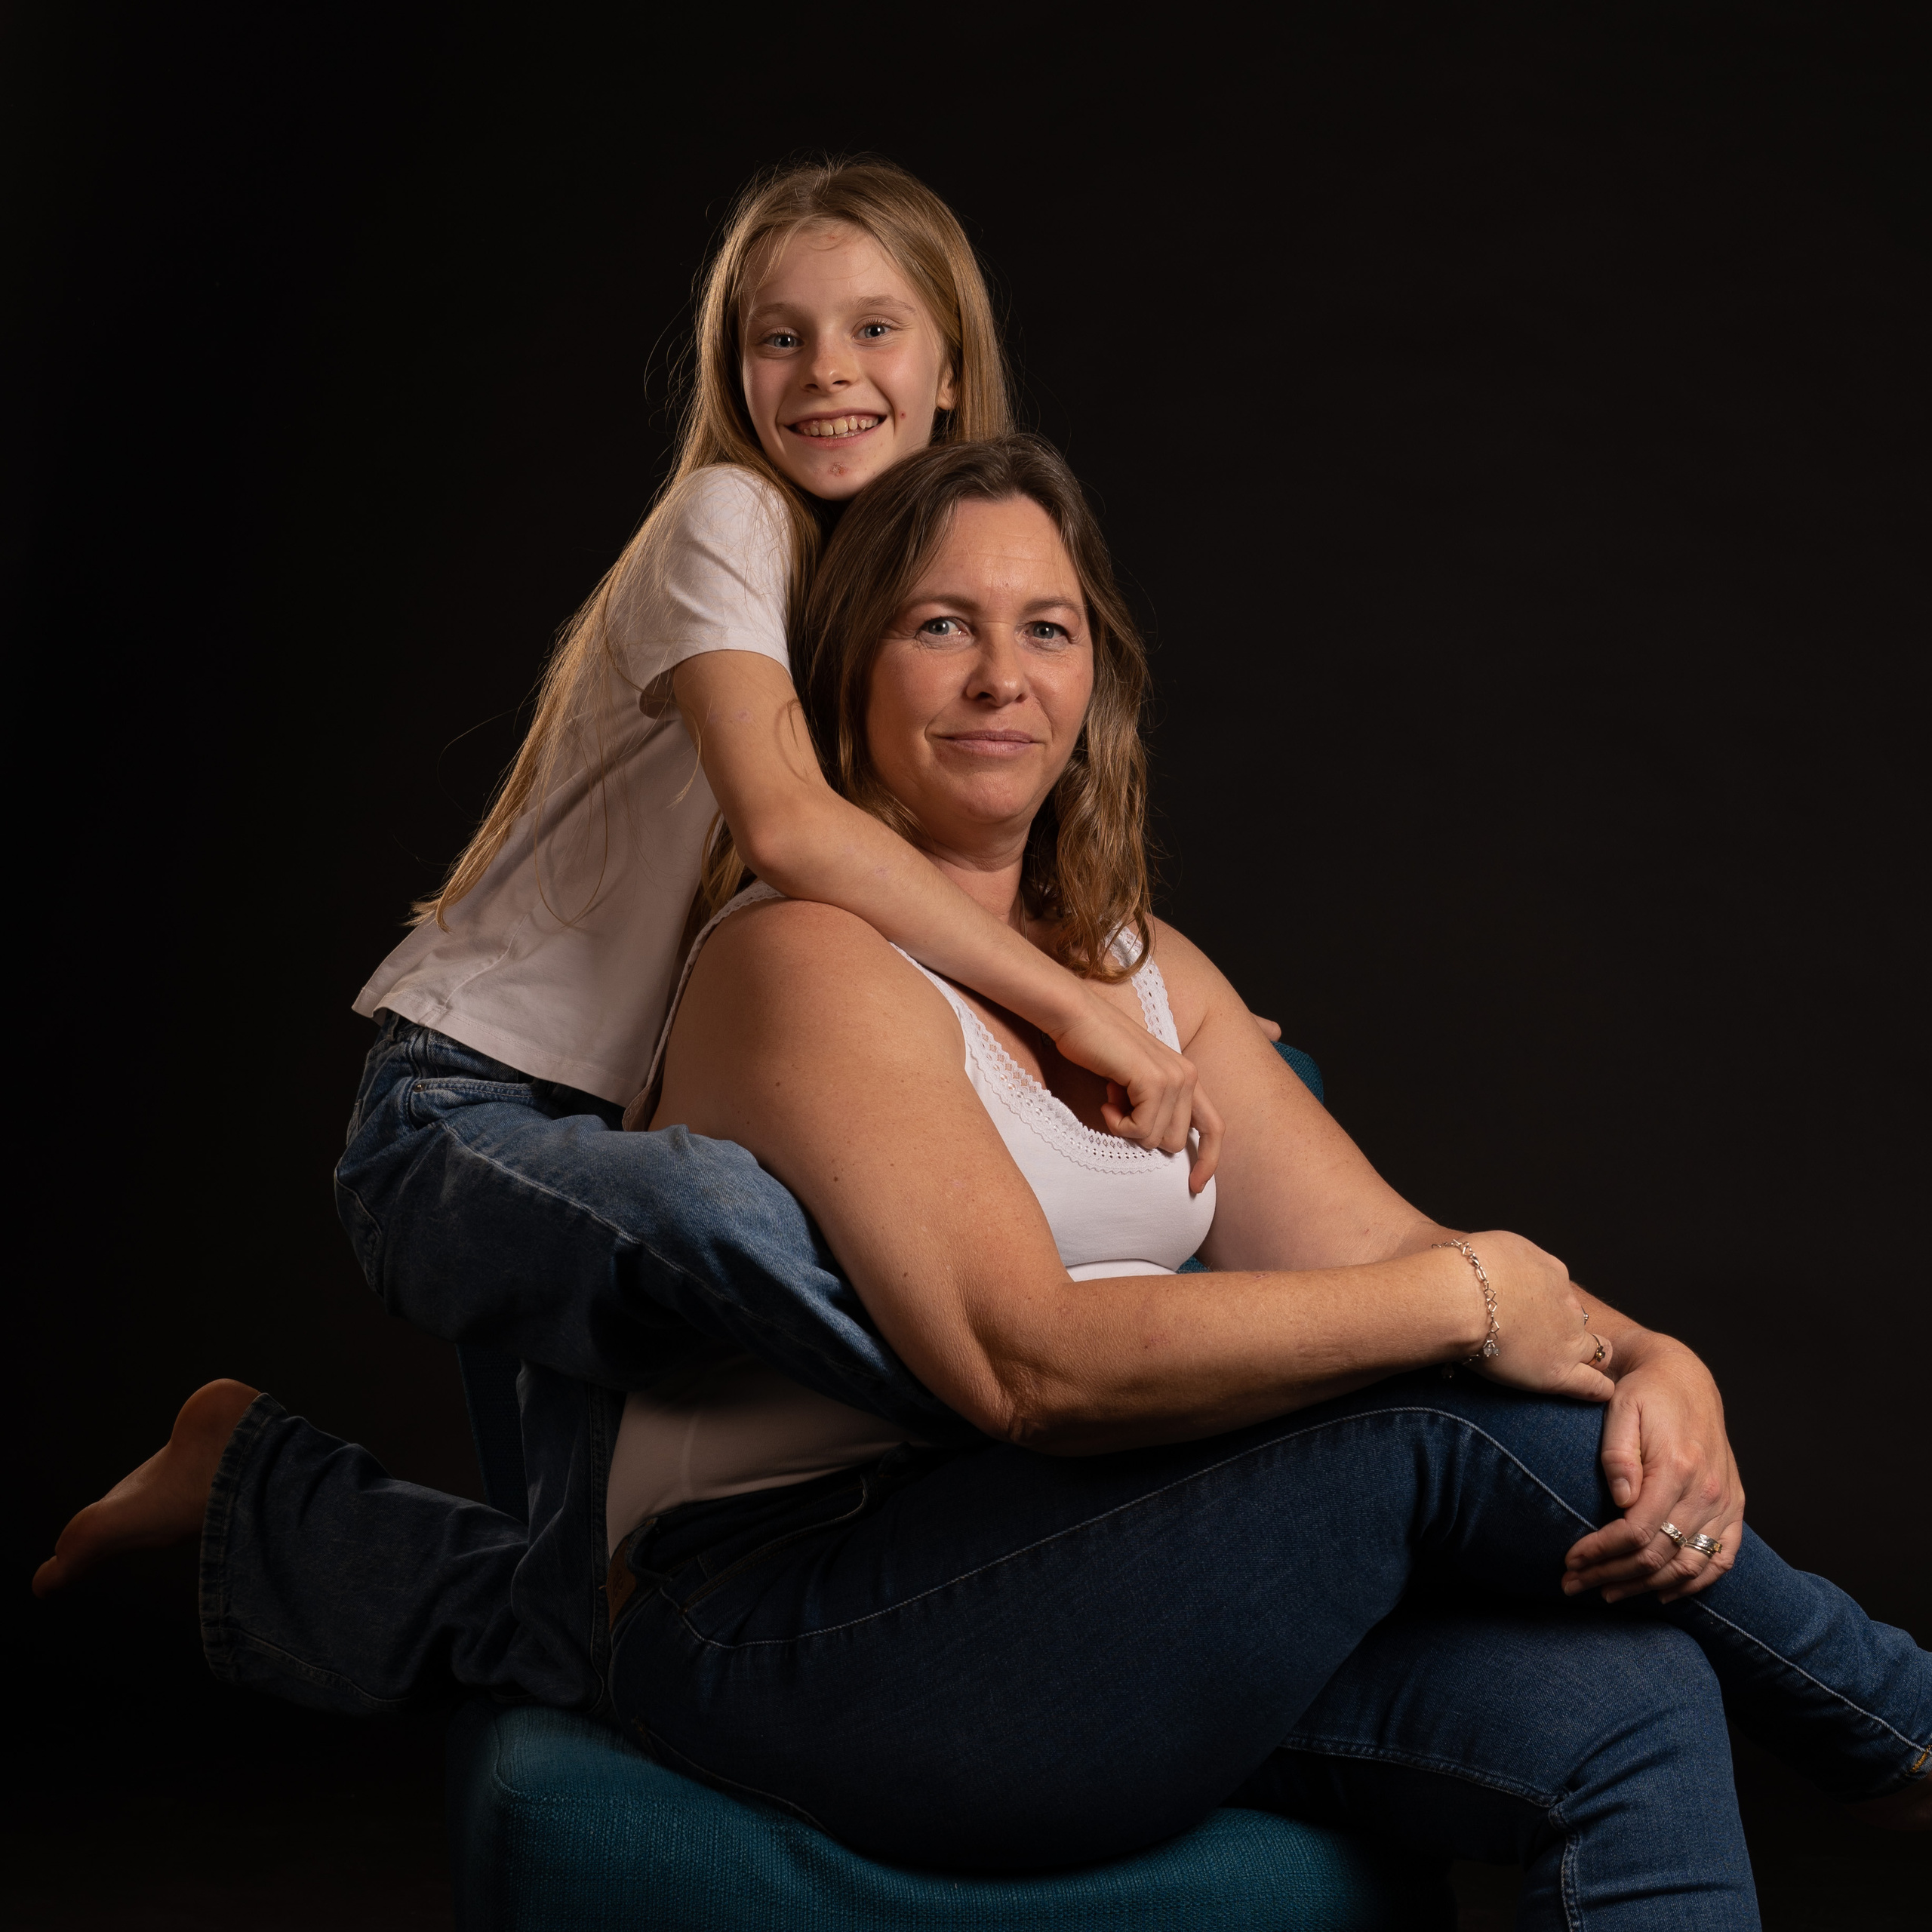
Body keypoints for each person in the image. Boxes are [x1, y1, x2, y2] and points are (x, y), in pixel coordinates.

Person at [38, 438, 1928, 1931]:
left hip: (1099, 1589)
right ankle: (1892, 1719)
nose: (1000, 675)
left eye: (1045, 626)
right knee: (1424, 1418)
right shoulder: (798, 958)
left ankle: (1875, 1719)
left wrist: (1644, 1352)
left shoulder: (1146, 971)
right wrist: (1476, 1312)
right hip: (799, 1624)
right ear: (840, 673)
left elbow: (1399, 1251)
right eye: (938, 624)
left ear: (1095, 668)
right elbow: (1028, 1366)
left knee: (1636, 1710)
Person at [335, 155, 1221, 1420]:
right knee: (756, 1224)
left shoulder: (898, 582)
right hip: (470, 1112)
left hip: (642, 1112)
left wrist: (1172, 1012)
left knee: (574, 1612)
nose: (827, 373)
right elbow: (791, 827)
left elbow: (960, 845)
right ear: (733, 372)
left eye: (874, 329)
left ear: (951, 367)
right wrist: (1079, 1015)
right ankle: (1077, 1404)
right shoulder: (729, 516)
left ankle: (248, 1486)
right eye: (780, 338)